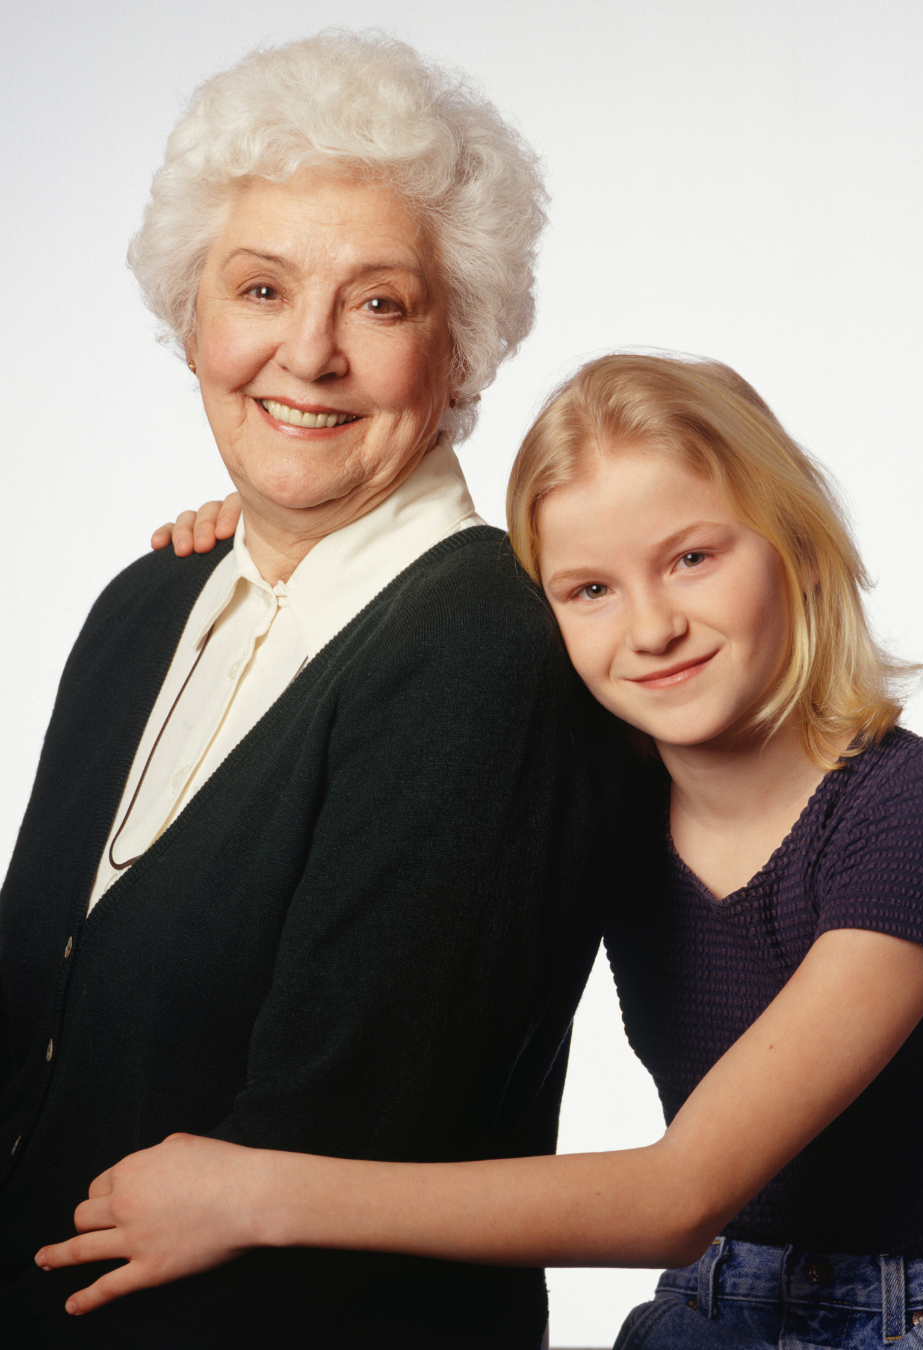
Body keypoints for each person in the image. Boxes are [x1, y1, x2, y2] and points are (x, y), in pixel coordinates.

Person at [37, 354, 923, 1347]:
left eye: (692, 559)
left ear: (798, 547)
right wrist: (275, 538)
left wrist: (255, 1194)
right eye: (589, 590)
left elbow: (678, 1197)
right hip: (712, 1307)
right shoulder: (610, 796)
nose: (652, 628)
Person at [0, 32, 627, 1350]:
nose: (310, 353)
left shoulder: (485, 648)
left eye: (380, 305)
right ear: (193, 321)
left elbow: (351, 1135)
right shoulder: (142, 607)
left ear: (462, 348)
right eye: (261, 288)